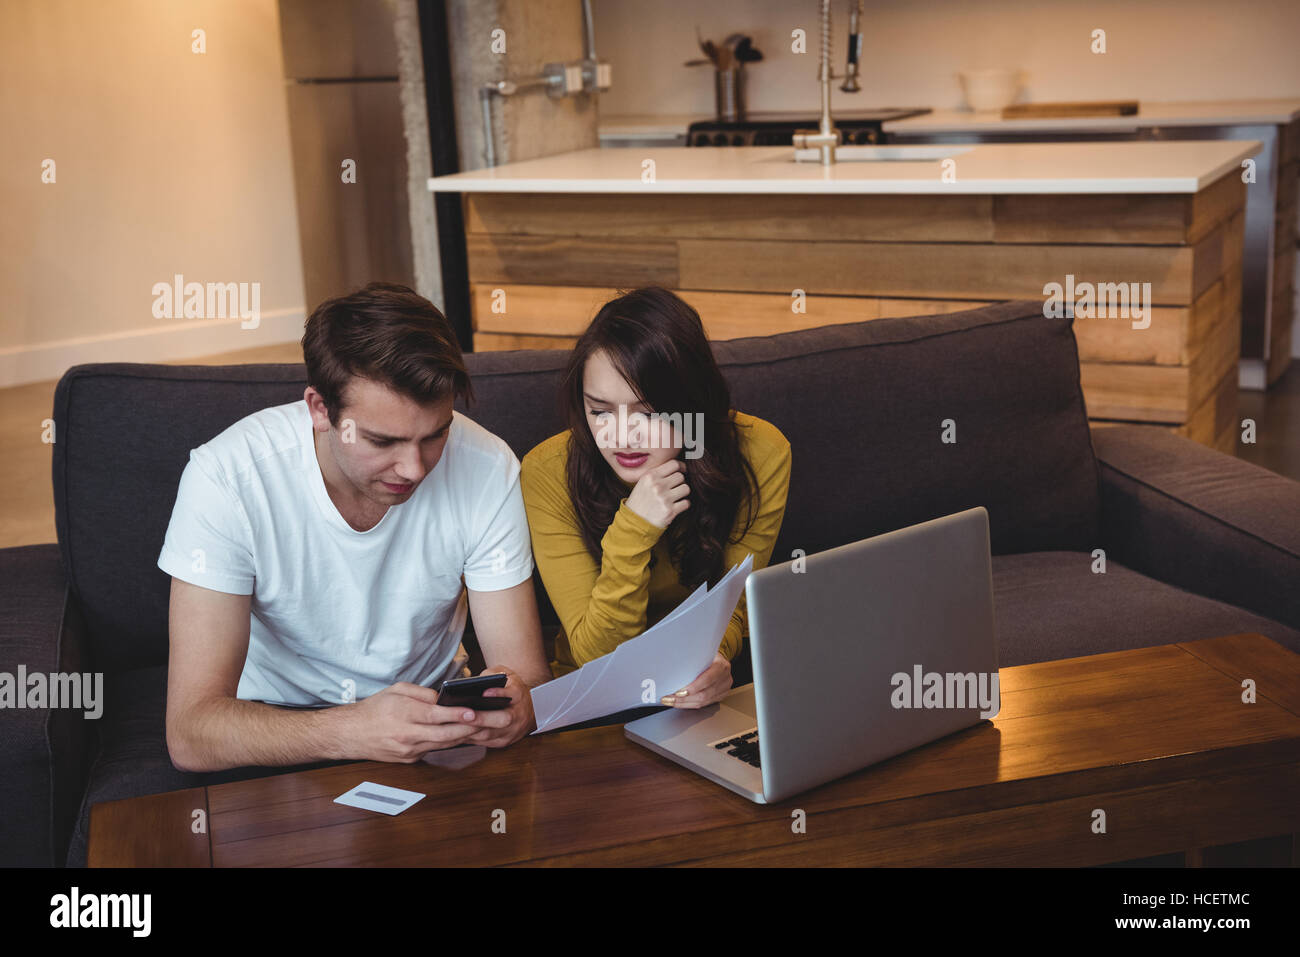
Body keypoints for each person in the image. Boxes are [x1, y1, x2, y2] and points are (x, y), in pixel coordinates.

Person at [160, 282, 551, 772]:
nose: (413, 468)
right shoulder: (227, 478)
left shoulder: (487, 466)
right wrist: (352, 730)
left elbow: (528, 677)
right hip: (275, 732)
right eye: (382, 440)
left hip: (436, 728)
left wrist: (518, 708)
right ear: (321, 410)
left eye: (435, 435)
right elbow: (192, 732)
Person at [520, 286, 791, 709]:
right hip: (594, 706)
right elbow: (597, 659)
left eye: (649, 413)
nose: (622, 436)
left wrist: (717, 657)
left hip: (701, 695)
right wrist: (634, 528)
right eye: (600, 411)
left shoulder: (760, 453)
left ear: (693, 404)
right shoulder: (548, 471)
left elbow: (733, 604)